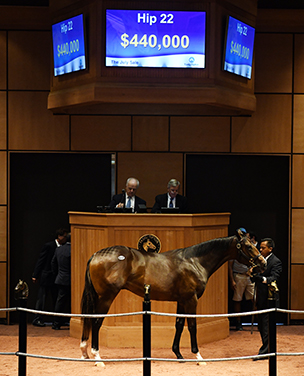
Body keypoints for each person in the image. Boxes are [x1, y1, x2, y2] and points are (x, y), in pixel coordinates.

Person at [250, 237, 282, 359]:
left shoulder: (276, 262)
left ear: (270, 249)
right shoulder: (260, 260)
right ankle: (267, 348)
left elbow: (273, 278)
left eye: (263, 248)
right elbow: (256, 276)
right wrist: (253, 276)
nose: (260, 249)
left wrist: (261, 279)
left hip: (270, 299)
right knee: (261, 326)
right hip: (260, 297)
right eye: (261, 247)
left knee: (266, 326)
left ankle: (265, 352)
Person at [32, 228, 68, 327]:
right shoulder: (49, 246)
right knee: (42, 299)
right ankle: (37, 318)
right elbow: (41, 260)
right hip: (46, 276)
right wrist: (36, 275)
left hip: (57, 277)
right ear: (59, 237)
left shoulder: (64, 247)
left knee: (57, 299)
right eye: (65, 236)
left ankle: (58, 319)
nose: (66, 239)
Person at [228, 227, 254, 331]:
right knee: (237, 300)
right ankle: (238, 323)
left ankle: (258, 321)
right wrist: (232, 280)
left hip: (249, 276)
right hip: (238, 276)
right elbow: (230, 266)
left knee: (254, 299)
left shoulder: (248, 246)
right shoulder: (235, 248)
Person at [51, 234, 71, 330]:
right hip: (71, 280)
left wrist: (57, 274)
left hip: (60, 278)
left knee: (60, 302)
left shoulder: (58, 249)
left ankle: (56, 323)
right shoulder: (73, 250)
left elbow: (53, 263)